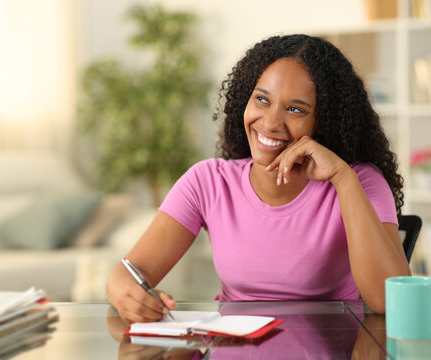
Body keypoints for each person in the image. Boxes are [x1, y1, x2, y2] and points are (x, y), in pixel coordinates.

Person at [106, 34, 411, 324]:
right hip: (234, 345)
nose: (270, 122)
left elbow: (391, 301)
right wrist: (127, 295)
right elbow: (129, 273)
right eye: (262, 100)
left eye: (295, 109)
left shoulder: (359, 181)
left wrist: (342, 179)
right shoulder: (208, 181)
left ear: (322, 122)